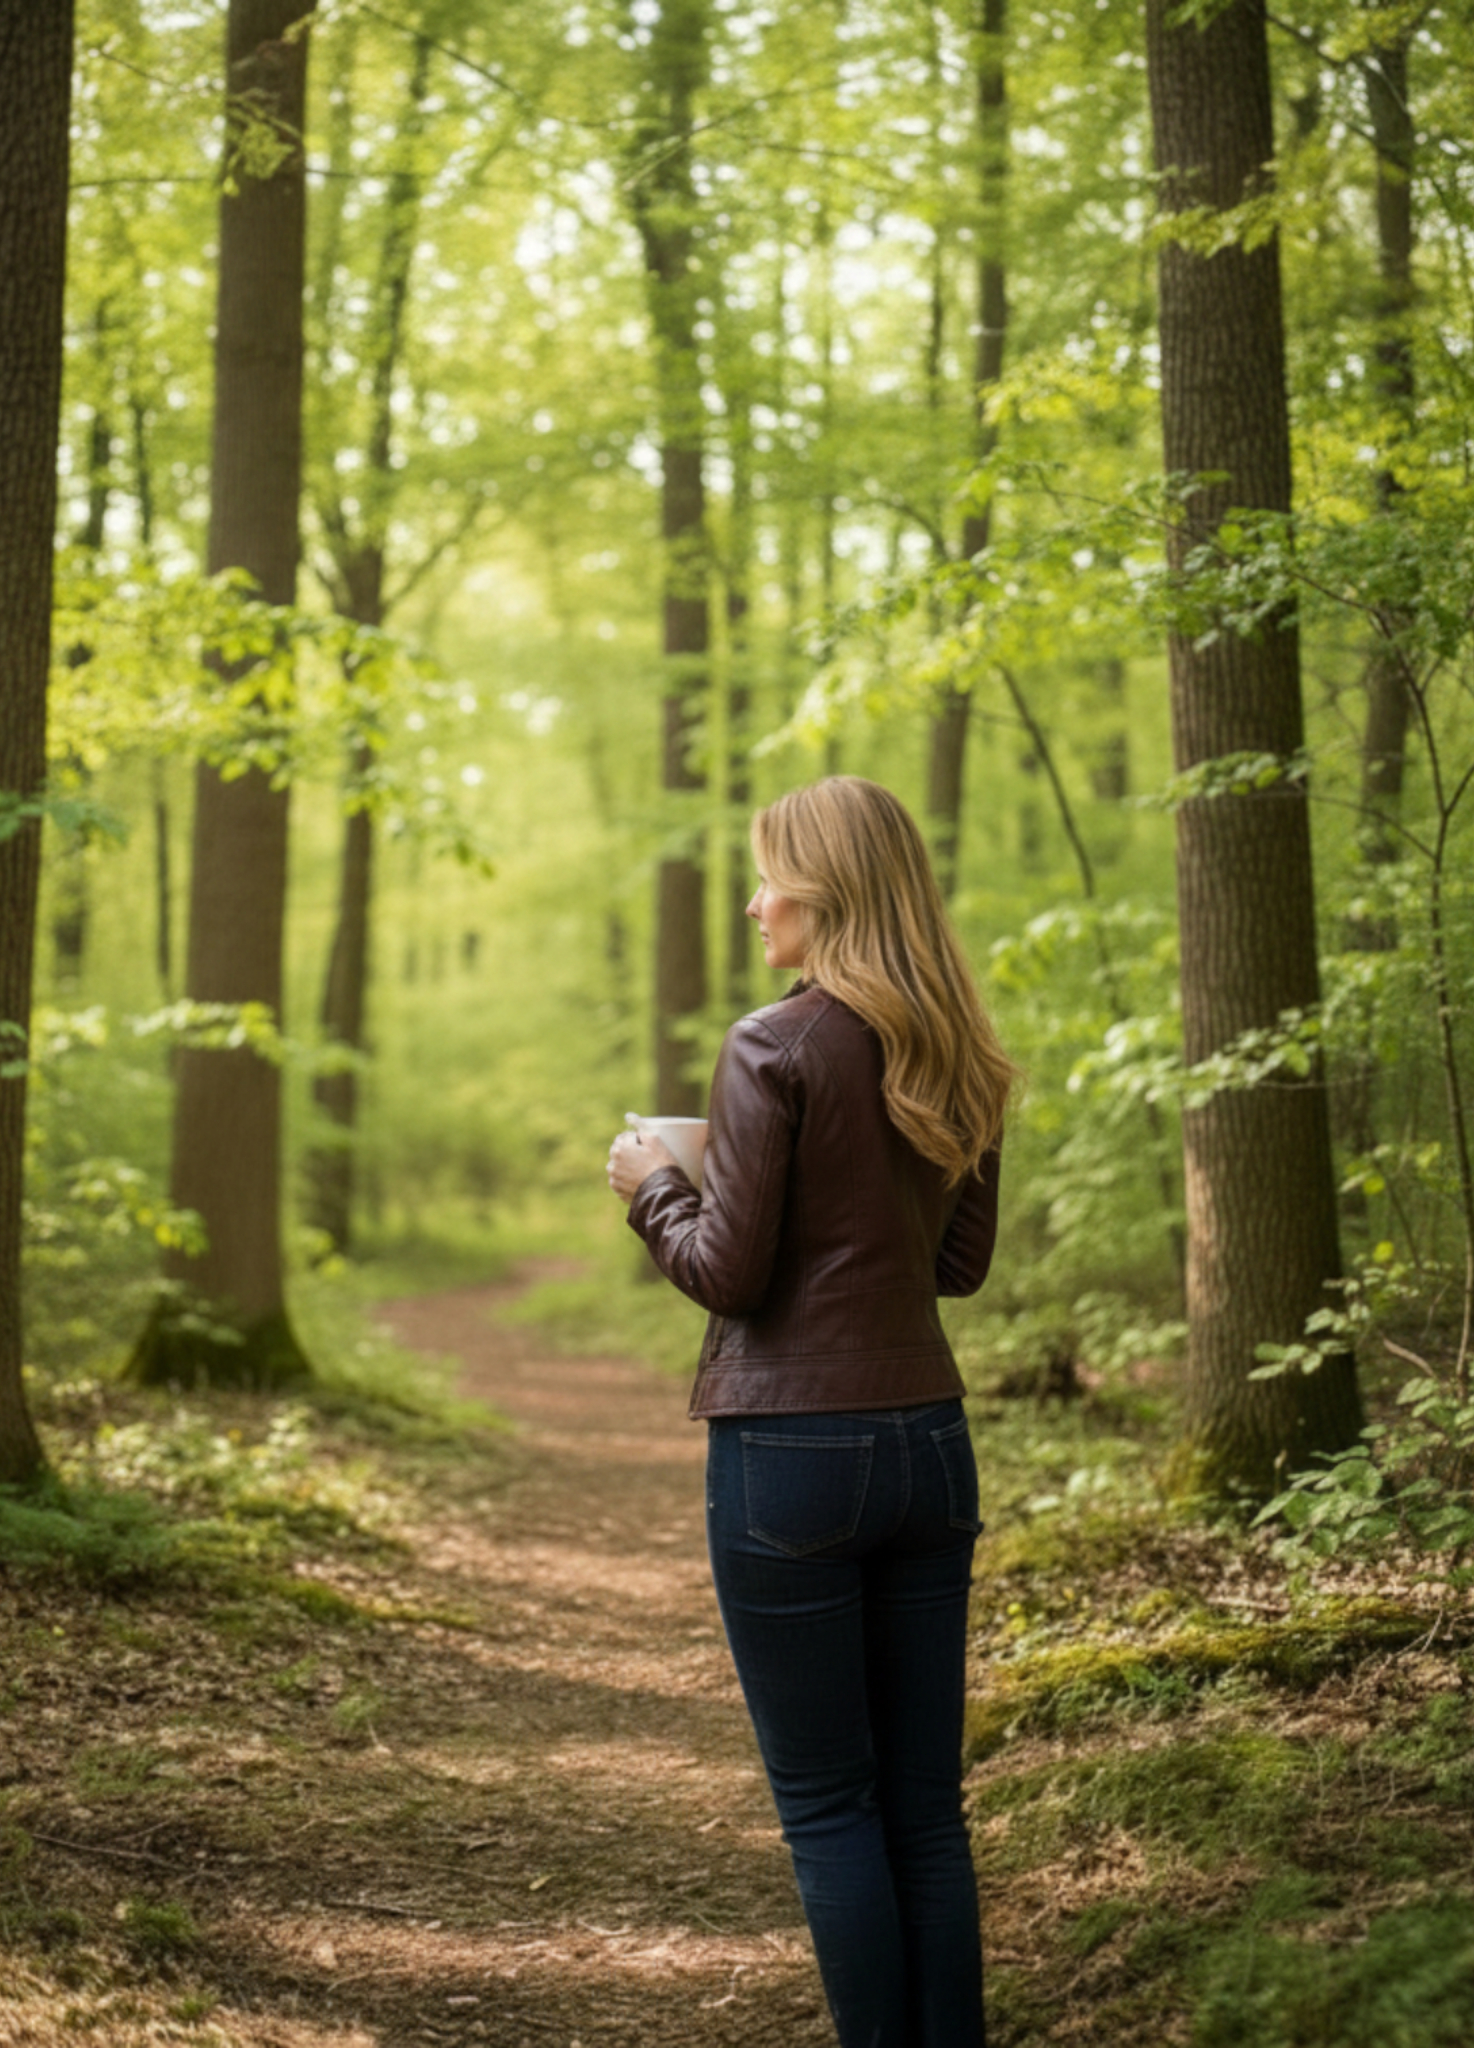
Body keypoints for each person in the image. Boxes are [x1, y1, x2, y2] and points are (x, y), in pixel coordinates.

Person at [606, 775, 1013, 2048]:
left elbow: (726, 1275)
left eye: (766, 873)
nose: (750, 898)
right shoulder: (959, 1046)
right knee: (923, 1810)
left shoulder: (770, 1043)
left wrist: (651, 1187)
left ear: (822, 891)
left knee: (831, 1808)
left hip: (789, 1452)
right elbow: (953, 1267)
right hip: (928, 1449)